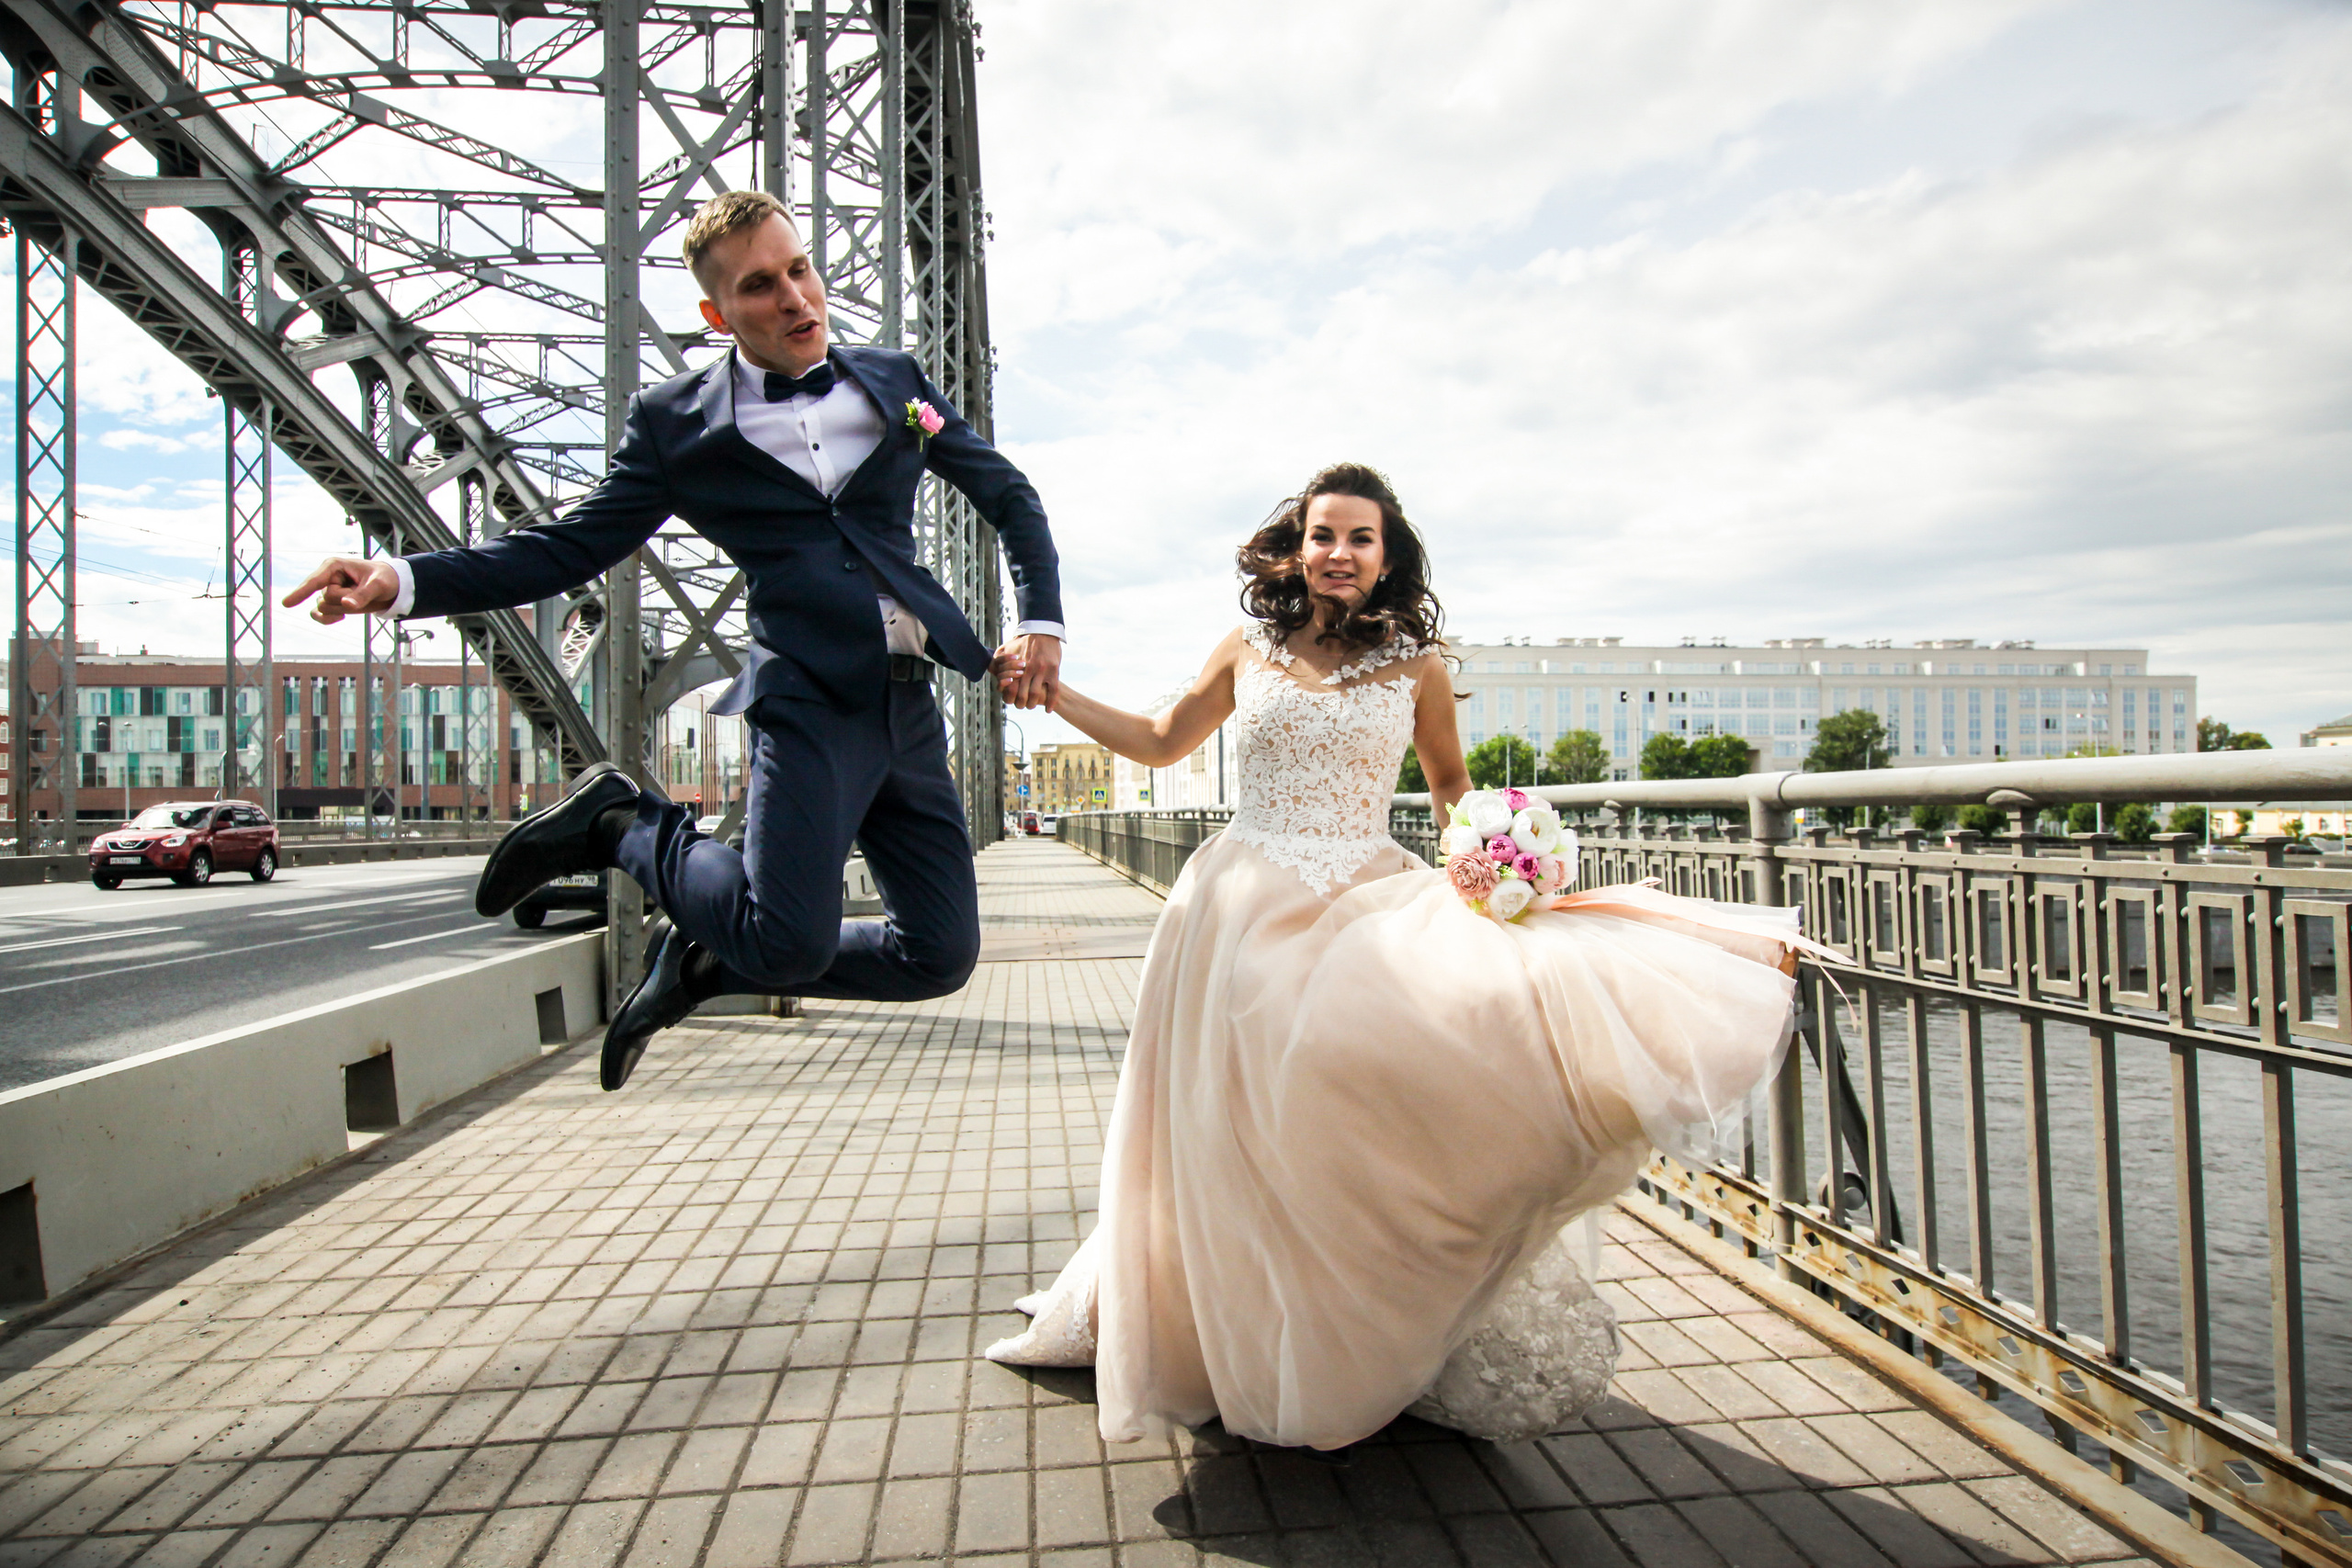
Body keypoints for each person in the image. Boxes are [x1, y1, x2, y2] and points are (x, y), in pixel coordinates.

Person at [984, 462, 1835, 1455]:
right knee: (1227, 1126)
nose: (1337, 554)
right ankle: (1212, 1324)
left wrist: (1500, 876)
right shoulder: (1246, 646)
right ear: (1293, 550)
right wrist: (1058, 696)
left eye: (1359, 539)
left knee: (1364, 1097)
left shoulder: (1418, 664)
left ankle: (1342, 1318)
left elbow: (1448, 791)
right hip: (1235, 909)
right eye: (1321, 536)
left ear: (1387, 559)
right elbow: (1163, 740)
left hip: (1365, 903)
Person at [284, 189, 1065, 1090]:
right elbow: (568, 548)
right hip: (807, 699)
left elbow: (1006, 496)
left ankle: (704, 964)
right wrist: (402, 580)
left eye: (800, 270)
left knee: (939, 956)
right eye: (762, 286)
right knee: (789, 936)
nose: (796, 300)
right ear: (716, 312)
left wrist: (1038, 622)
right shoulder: (677, 427)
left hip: (907, 704)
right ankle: (622, 822)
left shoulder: (895, 385)